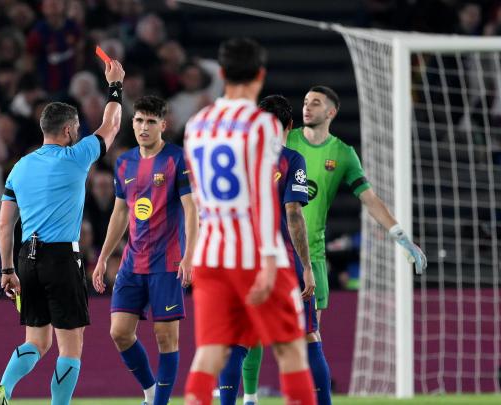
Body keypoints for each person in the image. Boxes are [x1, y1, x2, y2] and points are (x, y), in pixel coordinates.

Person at [182, 38, 316, 405]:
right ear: (260, 74)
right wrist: (271, 260)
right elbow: (264, 199)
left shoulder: (196, 125)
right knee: (291, 350)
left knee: (210, 352)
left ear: (222, 73)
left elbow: (199, 197)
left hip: (211, 255)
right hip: (254, 254)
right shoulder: (262, 126)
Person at [0, 59, 125, 405]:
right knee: (70, 347)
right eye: (76, 128)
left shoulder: (19, 167)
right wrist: (115, 86)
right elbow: (111, 125)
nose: (77, 133)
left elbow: (4, 224)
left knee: (37, 341)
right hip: (62, 257)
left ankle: (3, 388)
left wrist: (7, 269)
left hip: (26, 259)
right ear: (67, 130)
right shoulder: (75, 157)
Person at [286, 86, 427, 328]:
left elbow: (370, 200)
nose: (307, 107)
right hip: (276, 250)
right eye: (306, 102)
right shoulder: (286, 140)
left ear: (331, 112)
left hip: (313, 255)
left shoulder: (343, 154)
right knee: (254, 336)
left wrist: (401, 237)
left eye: (316, 103)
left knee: (310, 338)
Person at [91, 95, 199, 405]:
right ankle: (151, 392)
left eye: (151, 121)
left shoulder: (178, 159)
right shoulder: (124, 162)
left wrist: (189, 256)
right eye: (139, 120)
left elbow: (191, 210)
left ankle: (160, 402)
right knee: (119, 333)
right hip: (132, 263)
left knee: (166, 338)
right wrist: (103, 258)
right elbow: (120, 213)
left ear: (163, 125)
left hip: (167, 262)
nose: (144, 127)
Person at [227, 95, 331, 405]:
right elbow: (294, 214)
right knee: (307, 335)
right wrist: (307, 267)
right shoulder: (291, 160)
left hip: (243, 260)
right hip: (282, 261)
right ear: (290, 125)